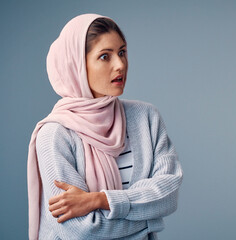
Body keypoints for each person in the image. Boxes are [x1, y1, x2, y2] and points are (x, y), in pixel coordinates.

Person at [27, 13, 183, 240]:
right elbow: (79, 229)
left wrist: (101, 200)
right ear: (77, 65)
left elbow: (168, 194)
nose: (120, 65)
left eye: (122, 52)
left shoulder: (145, 118)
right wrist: (149, 220)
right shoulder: (55, 134)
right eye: (104, 56)